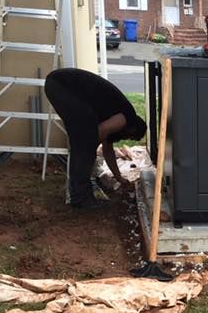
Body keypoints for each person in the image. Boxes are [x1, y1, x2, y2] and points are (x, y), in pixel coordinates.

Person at [44, 68, 147, 208]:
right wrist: (89, 154)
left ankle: (77, 193)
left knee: (82, 143)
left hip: (58, 84)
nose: (125, 138)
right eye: (130, 136)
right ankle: (81, 198)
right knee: (84, 144)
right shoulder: (126, 117)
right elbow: (98, 133)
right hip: (63, 85)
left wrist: (119, 178)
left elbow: (108, 150)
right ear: (132, 128)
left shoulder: (114, 112)